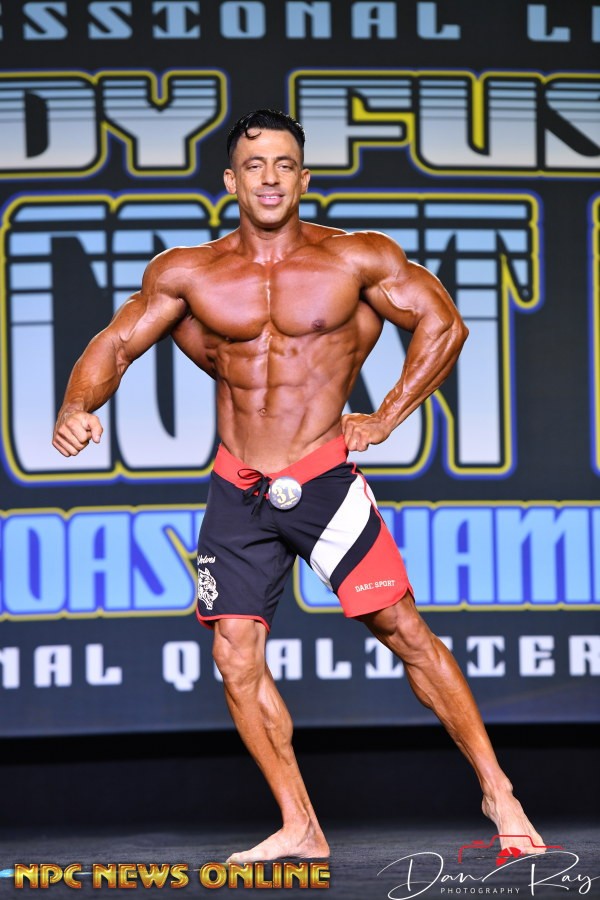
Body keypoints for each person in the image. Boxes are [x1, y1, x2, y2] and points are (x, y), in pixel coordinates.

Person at [53, 109, 544, 865]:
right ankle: (300, 825)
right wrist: (76, 405)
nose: (270, 178)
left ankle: (498, 791)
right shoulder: (189, 272)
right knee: (234, 655)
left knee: (404, 631)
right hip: (238, 487)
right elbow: (117, 344)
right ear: (231, 180)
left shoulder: (354, 259)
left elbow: (444, 324)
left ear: (304, 178)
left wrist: (386, 415)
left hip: (322, 481)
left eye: (284, 164)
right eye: (255, 166)